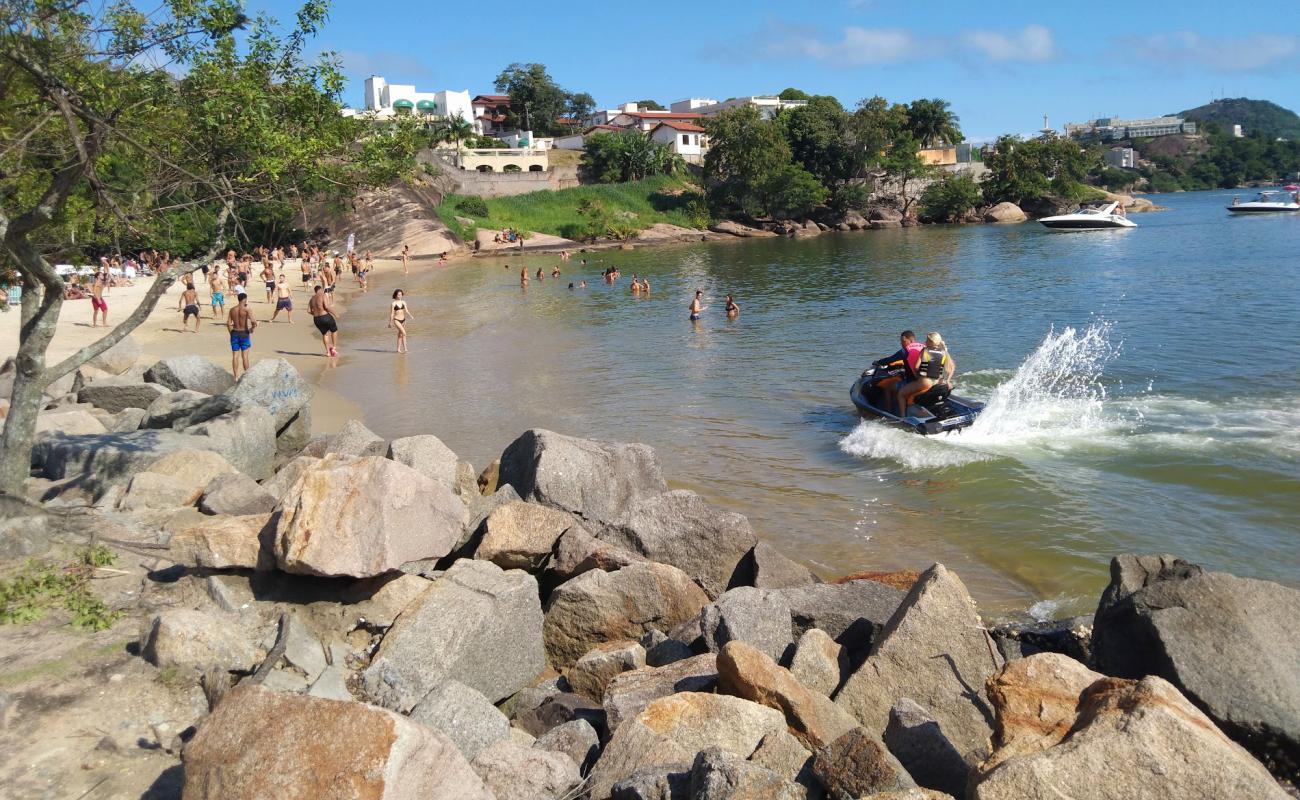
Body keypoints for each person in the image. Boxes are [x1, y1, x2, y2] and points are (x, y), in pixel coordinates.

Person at [897, 332, 954, 418]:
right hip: (939, 382)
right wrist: (948, 380)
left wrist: (917, 376)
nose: (925, 342)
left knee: (900, 394)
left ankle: (902, 417)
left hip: (925, 382)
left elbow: (916, 367)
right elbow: (952, 367)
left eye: (927, 340)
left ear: (931, 341)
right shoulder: (944, 352)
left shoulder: (925, 350)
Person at [227, 291, 257, 379]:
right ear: (245, 299)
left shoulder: (232, 309)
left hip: (235, 333)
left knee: (235, 356)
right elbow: (253, 322)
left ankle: (236, 377)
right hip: (244, 333)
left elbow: (228, 323)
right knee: (245, 356)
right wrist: (253, 328)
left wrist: (231, 333)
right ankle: (247, 376)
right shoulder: (247, 309)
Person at [308, 284, 339, 358]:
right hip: (325, 316)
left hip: (316, 319)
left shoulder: (312, 299)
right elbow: (327, 307)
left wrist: (315, 314)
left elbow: (308, 311)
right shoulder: (323, 295)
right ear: (321, 290)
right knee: (334, 330)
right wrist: (335, 314)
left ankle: (328, 352)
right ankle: (334, 348)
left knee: (325, 334)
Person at [389, 289, 413, 354]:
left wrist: (410, 315)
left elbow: (407, 310)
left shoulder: (404, 302)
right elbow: (392, 313)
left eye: (401, 294)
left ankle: (398, 349)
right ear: (396, 295)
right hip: (397, 320)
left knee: (400, 335)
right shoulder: (393, 303)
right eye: (398, 294)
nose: (400, 296)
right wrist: (390, 322)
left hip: (403, 320)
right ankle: (405, 349)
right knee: (404, 333)